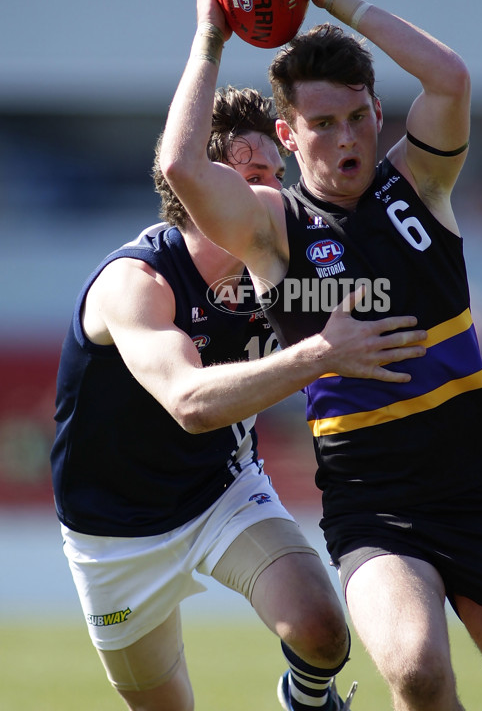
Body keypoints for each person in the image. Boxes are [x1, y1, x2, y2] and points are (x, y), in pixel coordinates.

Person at [158, 0, 482, 711]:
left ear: (376, 112)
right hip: (376, 506)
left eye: (357, 117)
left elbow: (450, 78)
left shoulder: (418, 183)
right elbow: (181, 165)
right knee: (418, 672)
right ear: (287, 134)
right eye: (321, 125)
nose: (345, 139)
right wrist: (211, 36)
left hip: (480, 489)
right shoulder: (271, 227)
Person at [51, 85, 428, 711]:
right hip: (112, 535)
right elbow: (190, 402)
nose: (272, 194)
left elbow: (375, 310)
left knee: (321, 628)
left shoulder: (279, 270)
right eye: (252, 176)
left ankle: (306, 700)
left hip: (221, 492)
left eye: (275, 177)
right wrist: (322, 353)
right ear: (200, 184)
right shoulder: (135, 283)